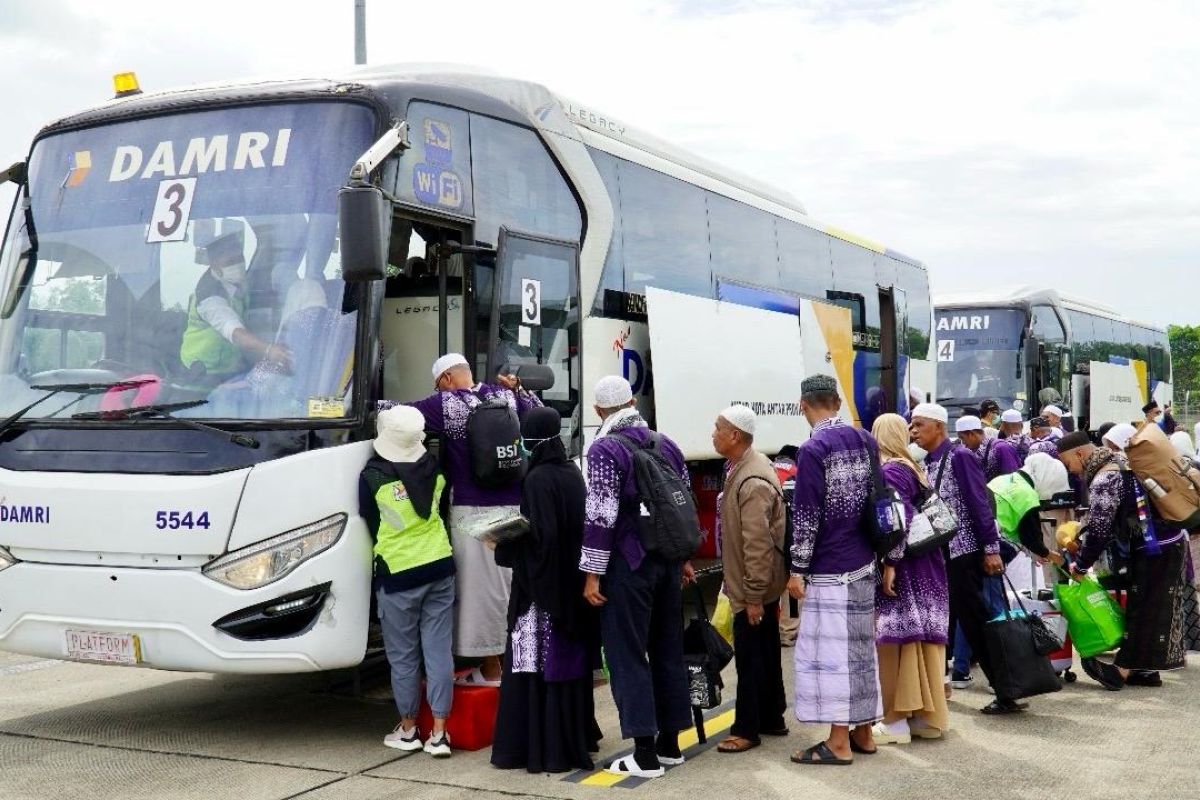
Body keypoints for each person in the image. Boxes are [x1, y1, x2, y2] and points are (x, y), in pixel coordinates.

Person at [403, 353, 543, 687]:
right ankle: (522, 662)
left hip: (472, 509)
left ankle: (493, 669)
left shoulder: (447, 403)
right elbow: (539, 416)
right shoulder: (505, 394)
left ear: (446, 379)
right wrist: (521, 389)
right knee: (513, 586)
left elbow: (396, 415)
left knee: (480, 592)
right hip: (514, 508)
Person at [580, 376, 692, 779]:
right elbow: (683, 502)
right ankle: (670, 746)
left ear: (598, 411)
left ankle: (643, 755)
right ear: (631, 401)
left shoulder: (605, 450)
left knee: (627, 653)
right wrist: (684, 557)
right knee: (666, 648)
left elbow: (600, 514)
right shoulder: (667, 443)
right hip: (668, 560)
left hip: (629, 564)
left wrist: (592, 573)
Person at [491, 407, 601, 773]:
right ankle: (574, 737)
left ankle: (538, 747)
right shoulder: (572, 471)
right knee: (568, 667)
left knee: (535, 667)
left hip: (541, 597)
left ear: (533, 440)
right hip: (571, 589)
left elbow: (542, 540)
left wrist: (503, 544)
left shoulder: (537, 479)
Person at [787, 374, 882, 765]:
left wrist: (797, 569)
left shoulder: (814, 449)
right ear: (839, 402)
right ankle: (864, 733)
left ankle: (838, 742)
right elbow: (880, 503)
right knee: (861, 650)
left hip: (830, 567)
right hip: (864, 561)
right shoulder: (867, 441)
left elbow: (807, 517)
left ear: (803, 405)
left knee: (831, 655)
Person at [909, 403, 1022, 714]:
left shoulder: (959, 456)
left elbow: (978, 502)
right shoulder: (927, 461)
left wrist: (990, 549)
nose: (914, 431)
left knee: (977, 622)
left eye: (919, 425)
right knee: (955, 622)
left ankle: (1006, 689)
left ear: (939, 428)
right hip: (943, 555)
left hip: (965, 553)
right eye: (912, 425)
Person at [1057, 431, 1189, 690]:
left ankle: (1121, 672)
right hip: (1167, 541)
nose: (1070, 470)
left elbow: (1099, 528)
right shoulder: (1118, 459)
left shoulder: (1105, 477)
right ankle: (1146, 670)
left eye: (1067, 462)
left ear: (1080, 454)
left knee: (1144, 608)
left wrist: (1081, 564)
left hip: (1155, 546)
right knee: (1149, 606)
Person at [360, 406, 455, 758]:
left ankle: (409, 728)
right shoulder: (435, 468)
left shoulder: (372, 476)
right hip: (440, 566)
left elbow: (368, 523)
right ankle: (441, 734)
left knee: (403, 658)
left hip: (398, 573)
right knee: (438, 651)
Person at [710, 405, 789, 754]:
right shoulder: (745, 467)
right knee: (767, 651)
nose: (712, 434)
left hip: (753, 587)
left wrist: (753, 595)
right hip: (758, 584)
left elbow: (757, 544)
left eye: (717, 428)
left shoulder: (751, 479)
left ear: (734, 436)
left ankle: (747, 728)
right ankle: (772, 716)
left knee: (751, 655)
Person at [870, 413, 950, 746]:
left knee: (897, 643)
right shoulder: (913, 466)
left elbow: (896, 520)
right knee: (921, 642)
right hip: (929, 564)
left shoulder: (890, 470)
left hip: (907, 568)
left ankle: (896, 720)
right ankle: (924, 717)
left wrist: (891, 562)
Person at [179, 231, 291, 385]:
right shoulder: (209, 298)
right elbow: (235, 333)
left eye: (240, 258)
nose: (237, 265)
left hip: (229, 370)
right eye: (230, 261)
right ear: (214, 265)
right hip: (201, 376)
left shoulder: (239, 282)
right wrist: (269, 349)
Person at [989, 453, 1070, 565]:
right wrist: (1052, 556)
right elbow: (1030, 537)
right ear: (1047, 480)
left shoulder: (1003, 479)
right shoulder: (1028, 497)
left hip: (981, 537)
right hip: (997, 545)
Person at [957, 415, 1020, 481]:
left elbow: (1014, 482)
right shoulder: (976, 452)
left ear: (971, 434)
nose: (963, 443)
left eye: (962, 438)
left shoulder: (1001, 448)